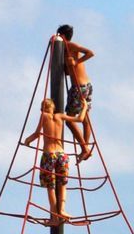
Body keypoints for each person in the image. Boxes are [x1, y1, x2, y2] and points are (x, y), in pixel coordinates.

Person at [22, 96, 87, 224]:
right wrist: (84, 106)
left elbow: (37, 134)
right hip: (62, 155)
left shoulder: (44, 116)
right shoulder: (60, 116)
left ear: (43, 109)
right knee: (62, 184)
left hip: (49, 155)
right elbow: (80, 119)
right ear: (53, 108)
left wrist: (27, 141)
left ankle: (54, 217)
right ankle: (62, 209)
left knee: (50, 187)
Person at [56, 24, 95, 162]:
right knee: (85, 119)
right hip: (85, 85)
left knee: (69, 120)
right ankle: (85, 149)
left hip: (79, 88)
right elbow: (68, 72)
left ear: (63, 36)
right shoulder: (63, 51)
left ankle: (85, 148)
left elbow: (90, 53)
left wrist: (76, 61)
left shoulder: (71, 46)